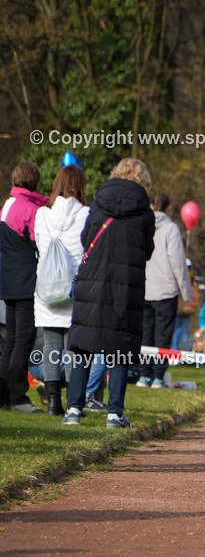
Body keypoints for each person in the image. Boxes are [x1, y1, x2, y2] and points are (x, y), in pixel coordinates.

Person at [65, 157, 157, 428]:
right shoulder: (144, 211)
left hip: (92, 280)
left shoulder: (98, 203)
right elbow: (147, 250)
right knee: (120, 348)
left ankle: (73, 409)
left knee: (83, 345)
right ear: (143, 180)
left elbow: (86, 239)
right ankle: (114, 413)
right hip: (126, 284)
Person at [33, 165, 89, 415]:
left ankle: (53, 402)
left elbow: (38, 245)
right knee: (73, 348)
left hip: (46, 286)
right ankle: (73, 402)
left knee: (50, 345)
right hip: (74, 286)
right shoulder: (87, 214)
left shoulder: (41, 214)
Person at [0, 162, 50, 412]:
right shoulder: (31, 210)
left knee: (10, 339)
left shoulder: (7, 204)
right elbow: (39, 245)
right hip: (25, 281)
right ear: (34, 182)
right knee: (24, 338)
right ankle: (17, 396)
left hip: (7, 280)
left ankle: (3, 394)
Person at [138, 193, 193, 388]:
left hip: (144, 287)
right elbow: (178, 262)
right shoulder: (171, 229)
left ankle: (144, 375)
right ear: (169, 208)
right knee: (163, 336)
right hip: (165, 290)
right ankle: (159, 376)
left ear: (151, 205)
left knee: (146, 335)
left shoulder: (142, 225)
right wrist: (186, 293)